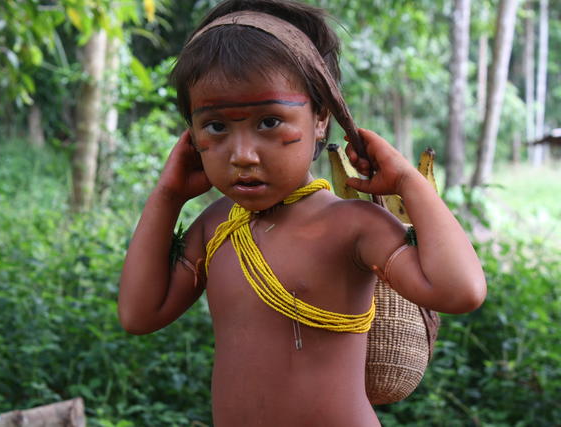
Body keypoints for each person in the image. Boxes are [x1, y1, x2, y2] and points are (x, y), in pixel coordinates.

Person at [118, 0, 487, 425]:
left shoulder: (353, 227)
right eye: (216, 127)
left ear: (319, 119)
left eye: (270, 122)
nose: (242, 155)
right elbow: (139, 314)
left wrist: (408, 182)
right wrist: (168, 195)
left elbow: (463, 291)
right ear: (192, 136)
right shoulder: (217, 227)